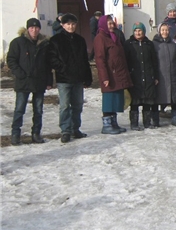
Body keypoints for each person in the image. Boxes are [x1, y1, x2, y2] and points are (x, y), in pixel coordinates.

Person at [47, 13, 93, 143]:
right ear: (62, 25)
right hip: (64, 79)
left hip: (78, 79)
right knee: (65, 106)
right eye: (68, 24)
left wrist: (87, 77)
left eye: (73, 24)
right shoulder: (56, 40)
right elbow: (51, 58)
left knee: (77, 105)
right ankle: (65, 130)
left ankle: (75, 128)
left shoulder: (80, 40)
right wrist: (62, 68)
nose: (71, 26)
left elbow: (85, 60)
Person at [7, 18, 53, 145]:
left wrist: (49, 80)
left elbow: (47, 64)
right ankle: (15, 134)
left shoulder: (44, 44)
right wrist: (20, 74)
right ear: (27, 29)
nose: (34, 30)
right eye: (32, 28)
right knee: (19, 109)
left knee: (38, 110)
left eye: (37, 27)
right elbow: (11, 60)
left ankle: (36, 133)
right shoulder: (18, 42)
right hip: (23, 81)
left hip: (39, 81)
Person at [93, 15, 133, 134]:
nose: (111, 26)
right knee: (109, 99)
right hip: (109, 74)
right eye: (109, 24)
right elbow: (100, 59)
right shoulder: (100, 38)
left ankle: (114, 123)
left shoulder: (114, 36)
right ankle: (106, 125)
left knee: (115, 99)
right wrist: (105, 77)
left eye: (112, 23)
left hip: (117, 74)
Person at [124, 22, 159, 130]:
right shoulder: (128, 44)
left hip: (148, 76)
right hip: (134, 77)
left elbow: (154, 62)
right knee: (134, 102)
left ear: (143, 32)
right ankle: (134, 124)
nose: (138, 33)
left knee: (147, 102)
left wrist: (156, 76)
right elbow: (125, 62)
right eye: (136, 31)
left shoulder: (149, 44)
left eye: (140, 30)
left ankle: (147, 123)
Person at [152, 23, 176, 126]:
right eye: (162, 30)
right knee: (157, 99)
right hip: (160, 77)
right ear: (159, 31)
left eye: (166, 30)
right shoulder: (155, 44)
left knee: (174, 99)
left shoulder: (172, 44)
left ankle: (175, 119)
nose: (165, 32)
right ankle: (155, 120)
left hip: (173, 76)